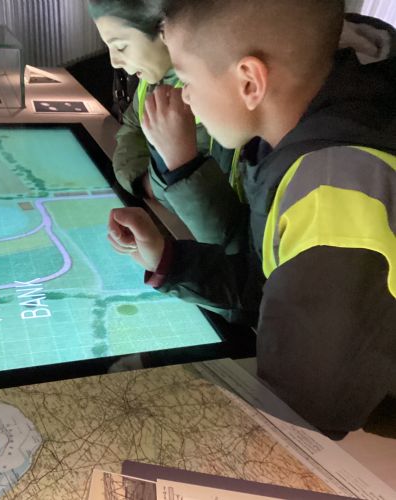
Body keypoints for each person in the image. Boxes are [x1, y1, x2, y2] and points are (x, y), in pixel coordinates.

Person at [108, 0, 396, 434]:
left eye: (187, 80)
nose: (185, 97)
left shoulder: (333, 196)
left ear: (249, 82)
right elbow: (267, 285)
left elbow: (304, 415)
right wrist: (168, 260)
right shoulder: (294, 143)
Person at [87, 0, 251, 262]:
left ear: (165, 29)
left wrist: (177, 170)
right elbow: (131, 128)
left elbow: (235, 246)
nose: (114, 62)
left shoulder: (230, 113)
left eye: (121, 46)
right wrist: (147, 181)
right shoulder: (152, 82)